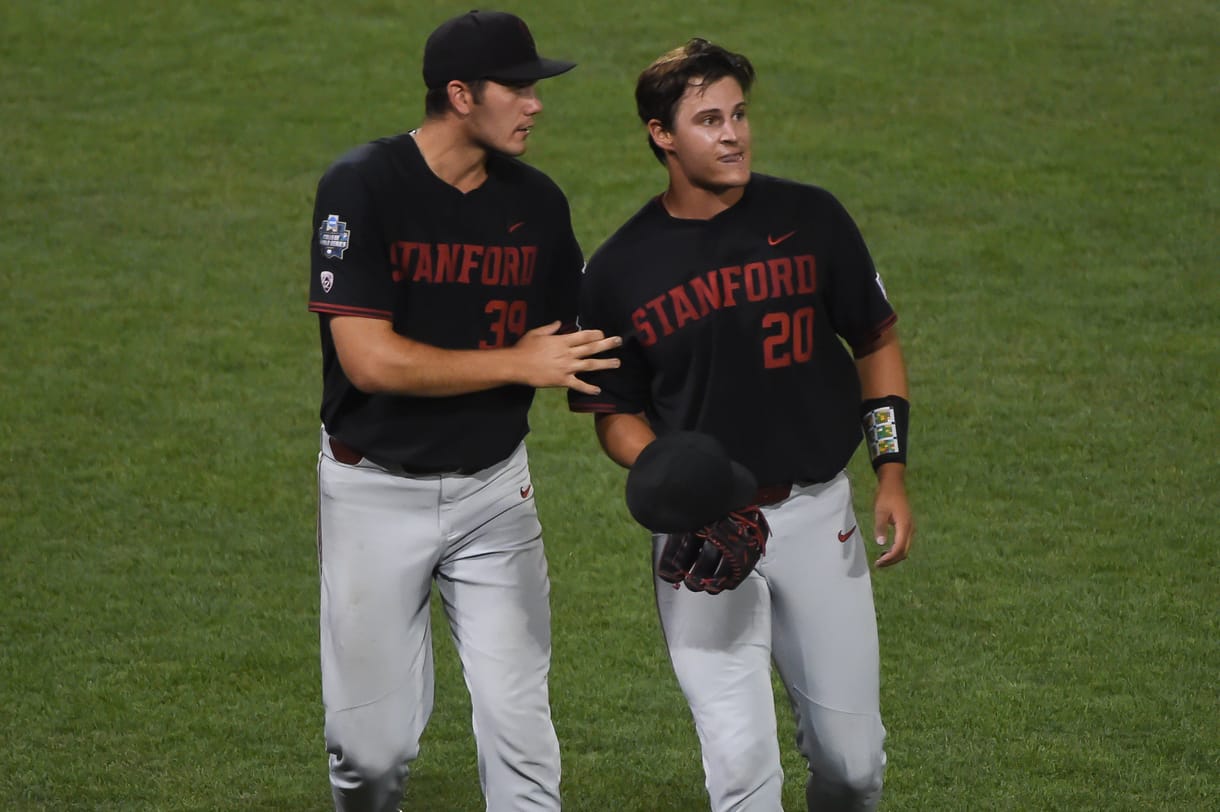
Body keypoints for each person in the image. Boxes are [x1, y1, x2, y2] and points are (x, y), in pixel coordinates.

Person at [569, 38, 915, 810]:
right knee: (742, 768)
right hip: (703, 538)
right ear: (662, 135)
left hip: (818, 512)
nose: (733, 134)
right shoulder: (618, 270)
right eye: (708, 119)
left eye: (739, 114)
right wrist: (687, 488)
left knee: (854, 766)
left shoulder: (812, 218)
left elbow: (876, 342)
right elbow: (614, 414)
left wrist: (890, 470)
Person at [307, 10, 621, 811]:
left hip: (494, 495)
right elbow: (367, 360)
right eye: (517, 88)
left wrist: (680, 462)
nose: (535, 104)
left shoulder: (538, 204)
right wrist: (517, 363)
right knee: (370, 759)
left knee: (523, 741)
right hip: (374, 493)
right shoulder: (361, 187)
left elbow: (582, 345)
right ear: (459, 94)